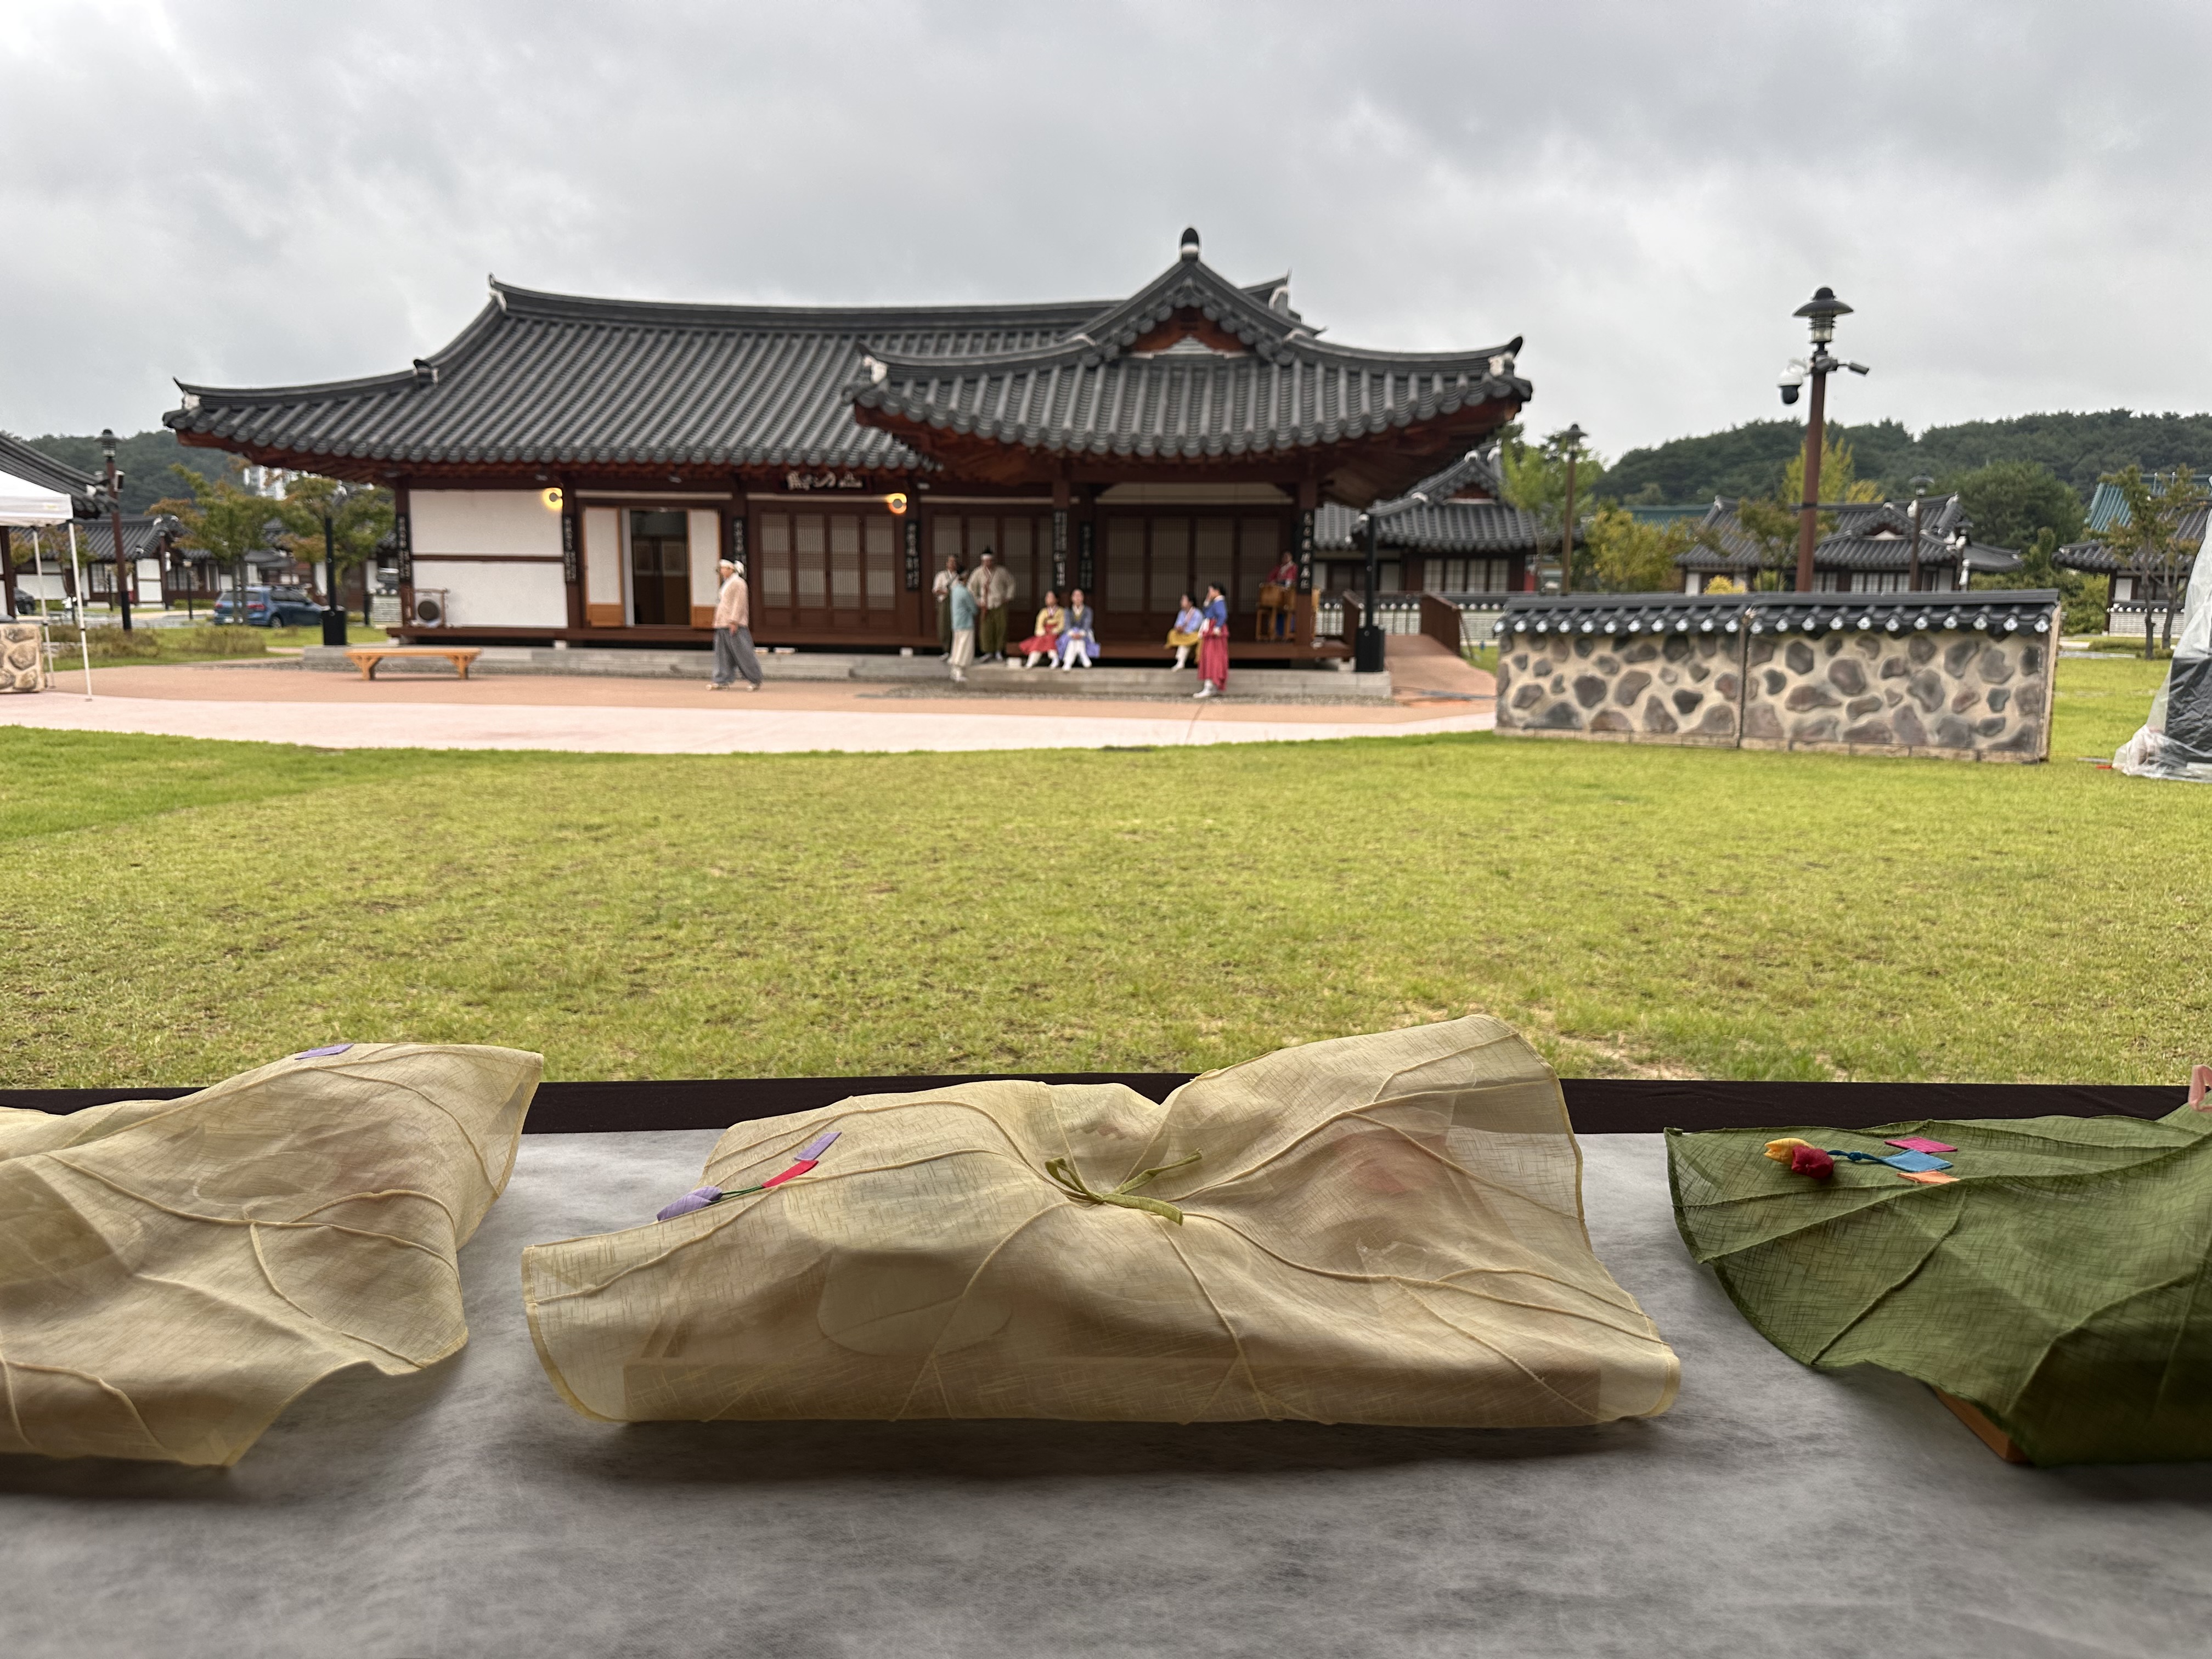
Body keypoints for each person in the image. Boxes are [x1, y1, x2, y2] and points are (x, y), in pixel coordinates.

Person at [708, 558, 762, 691]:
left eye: (723, 568)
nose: (721, 571)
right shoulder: (727, 583)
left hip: (733, 623)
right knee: (722, 653)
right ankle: (721, 680)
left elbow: (740, 603)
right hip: (722, 622)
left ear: (731, 569)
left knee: (743, 652)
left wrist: (734, 621)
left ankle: (755, 679)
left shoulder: (738, 583)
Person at [968, 550, 1015, 661]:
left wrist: (1008, 597)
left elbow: (1011, 583)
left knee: (1001, 628)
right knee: (986, 630)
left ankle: (999, 651)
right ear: (982, 561)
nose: (988, 563)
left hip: (999, 603)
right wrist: (977, 601)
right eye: (986, 561)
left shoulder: (1001, 571)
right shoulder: (978, 572)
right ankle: (988, 651)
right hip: (986, 605)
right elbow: (971, 588)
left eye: (990, 561)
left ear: (993, 561)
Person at [1194, 581, 1229, 698]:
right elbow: (1206, 612)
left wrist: (1218, 627)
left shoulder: (1219, 602)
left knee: (1211, 658)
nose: (1209, 593)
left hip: (1214, 633)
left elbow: (1223, 615)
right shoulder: (1216, 602)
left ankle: (1209, 687)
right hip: (1212, 631)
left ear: (1217, 591)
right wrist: (1207, 601)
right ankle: (1211, 686)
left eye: (1210, 591)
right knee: (1211, 658)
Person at [1016, 591, 1065, 668]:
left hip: (1055, 633)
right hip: (1044, 633)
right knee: (1039, 640)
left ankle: (1055, 659)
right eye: (1047, 597)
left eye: (1051, 597)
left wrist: (1055, 630)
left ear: (1056, 599)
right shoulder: (1043, 612)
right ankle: (1032, 661)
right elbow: (1039, 624)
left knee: (1051, 639)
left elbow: (1062, 624)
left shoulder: (1061, 611)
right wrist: (1042, 631)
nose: (1048, 599)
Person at [947, 571, 978, 682]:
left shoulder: (954, 590)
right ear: (965, 578)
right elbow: (974, 609)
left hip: (956, 622)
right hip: (966, 622)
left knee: (957, 645)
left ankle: (954, 670)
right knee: (964, 648)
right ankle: (959, 671)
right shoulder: (965, 592)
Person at [1265, 550, 1301, 639]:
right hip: (1277, 596)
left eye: (1287, 557)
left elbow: (1298, 581)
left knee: (1290, 613)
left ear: (1291, 558)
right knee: (1276, 613)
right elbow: (1270, 578)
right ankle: (1276, 632)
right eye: (1284, 557)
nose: (1285, 559)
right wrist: (1274, 582)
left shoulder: (1294, 568)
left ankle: (1289, 632)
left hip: (1289, 595)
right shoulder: (1279, 568)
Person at [1058, 589, 1097, 669]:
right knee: (1072, 640)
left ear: (1083, 598)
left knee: (1078, 640)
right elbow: (1067, 625)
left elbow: (1087, 624)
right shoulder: (1068, 610)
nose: (1078, 598)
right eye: (1075, 596)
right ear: (1072, 598)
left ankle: (1068, 662)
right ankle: (1084, 657)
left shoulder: (1088, 611)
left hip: (1085, 634)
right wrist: (1073, 634)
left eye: (1080, 596)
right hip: (1071, 634)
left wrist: (1081, 634)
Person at [932, 553, 963, 656]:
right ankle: (946, 649)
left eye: (955, 562)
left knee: (956, 625)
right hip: (945, 602)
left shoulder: (959, 577)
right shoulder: (941, 575)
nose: (953, 564)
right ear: (947, 563)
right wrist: (945, 592)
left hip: (956, 603)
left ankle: (956, 650)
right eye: (951, 562)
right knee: (944, 625)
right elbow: (936, 590)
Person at [1165, 592, 1203, 669]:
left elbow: (1195, 628)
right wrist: (1178, 628)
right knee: (1172, 633)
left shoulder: (1198, 614)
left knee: (1193, 639)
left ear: (1190, 603)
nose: (1181, 602)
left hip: (1192, 636)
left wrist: (1184, 630)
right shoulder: (1182, 613)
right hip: (1183, 635)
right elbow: (1177, 624)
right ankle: (1180, 662)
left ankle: (1180, 662)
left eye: (1184, 600)